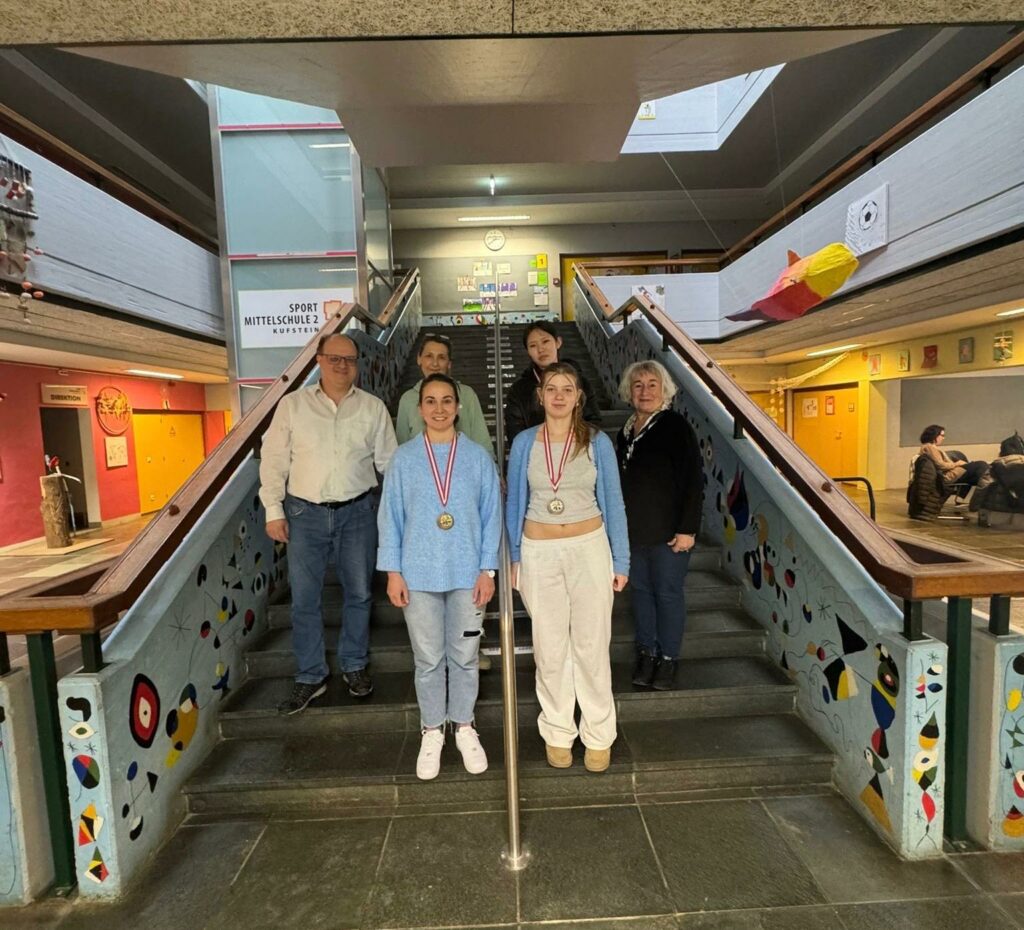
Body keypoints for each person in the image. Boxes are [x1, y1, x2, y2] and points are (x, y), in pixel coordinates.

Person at [259, 332, 397, 715]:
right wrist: (273, 509)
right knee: (305, 598)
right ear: (319, 360)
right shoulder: (292, 406)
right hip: (304, 515)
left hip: (358, 512)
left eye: (349, 359)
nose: (342, 365)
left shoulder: (373, 408)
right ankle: (311, 675)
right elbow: (274, 460)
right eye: (334, 358)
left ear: (357, 365)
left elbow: (390, 465)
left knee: (360, 593)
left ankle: (354, 664)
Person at [506, 362, 629, 773]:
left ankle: (599, 733)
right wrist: (515, 558)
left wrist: (621, 558)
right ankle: (558, 731)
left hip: (588, 548)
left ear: (579, 397)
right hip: (539, 552)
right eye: (551, 388)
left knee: (591, 646)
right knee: (550, 647)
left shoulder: (597, 442)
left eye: (567, 389)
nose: (559, 395)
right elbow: (514, 502)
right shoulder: (524, 442)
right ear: (540, 396)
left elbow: (614, 502)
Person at [378, 374, 501, 779]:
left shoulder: (477, 458)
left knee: (465, 656)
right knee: (428, 659)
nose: (439, 408)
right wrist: (393, 572)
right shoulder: (404, 459)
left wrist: (488, 569)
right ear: (419, 409)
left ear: (458, 406)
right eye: (430, 401)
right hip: (418, 576)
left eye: (447, 400)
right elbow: (390, 518)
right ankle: (432, 729)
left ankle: (463, 725)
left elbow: (491, 516)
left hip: (468, 577)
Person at [616, 360, 703, 690]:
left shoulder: (675, 426)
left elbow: (693, 480)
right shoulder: (625, 431)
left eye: (652, 384)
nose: (645, 391)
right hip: (634, 533)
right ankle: (647, 653)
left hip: (670, 534)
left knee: (667, 594)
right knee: (641, 594)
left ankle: (668, 659)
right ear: (629, 391)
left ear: (664, 390)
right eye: (638, 385)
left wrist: (687, 529)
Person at [395, 333, 494, 457]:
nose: (435, 363)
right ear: (419, 359)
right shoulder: (407, 399)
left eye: (441, 357)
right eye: (429, 356)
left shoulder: (467, 395)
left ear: (449, 363)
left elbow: (484, 446)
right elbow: (402, 449)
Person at [504, 321, 603, 442]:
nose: (541, 349)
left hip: (577, 448)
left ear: (558, 342)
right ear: (528, 351)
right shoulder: (518, 390)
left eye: (545, 341)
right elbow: (515, 433)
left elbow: (593, 422)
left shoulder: (580, 382)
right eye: (533, 345)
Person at [918, 424, 991, 492]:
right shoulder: (929, 447)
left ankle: (986, 493)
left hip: (950, 473)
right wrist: (957, 464)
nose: (943, 438)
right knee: (981, 465)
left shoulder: (928, 447)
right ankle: (987, 493)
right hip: (948, 476)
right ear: (935, 435)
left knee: (980, 471)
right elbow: (941, 465)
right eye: (942, 435)